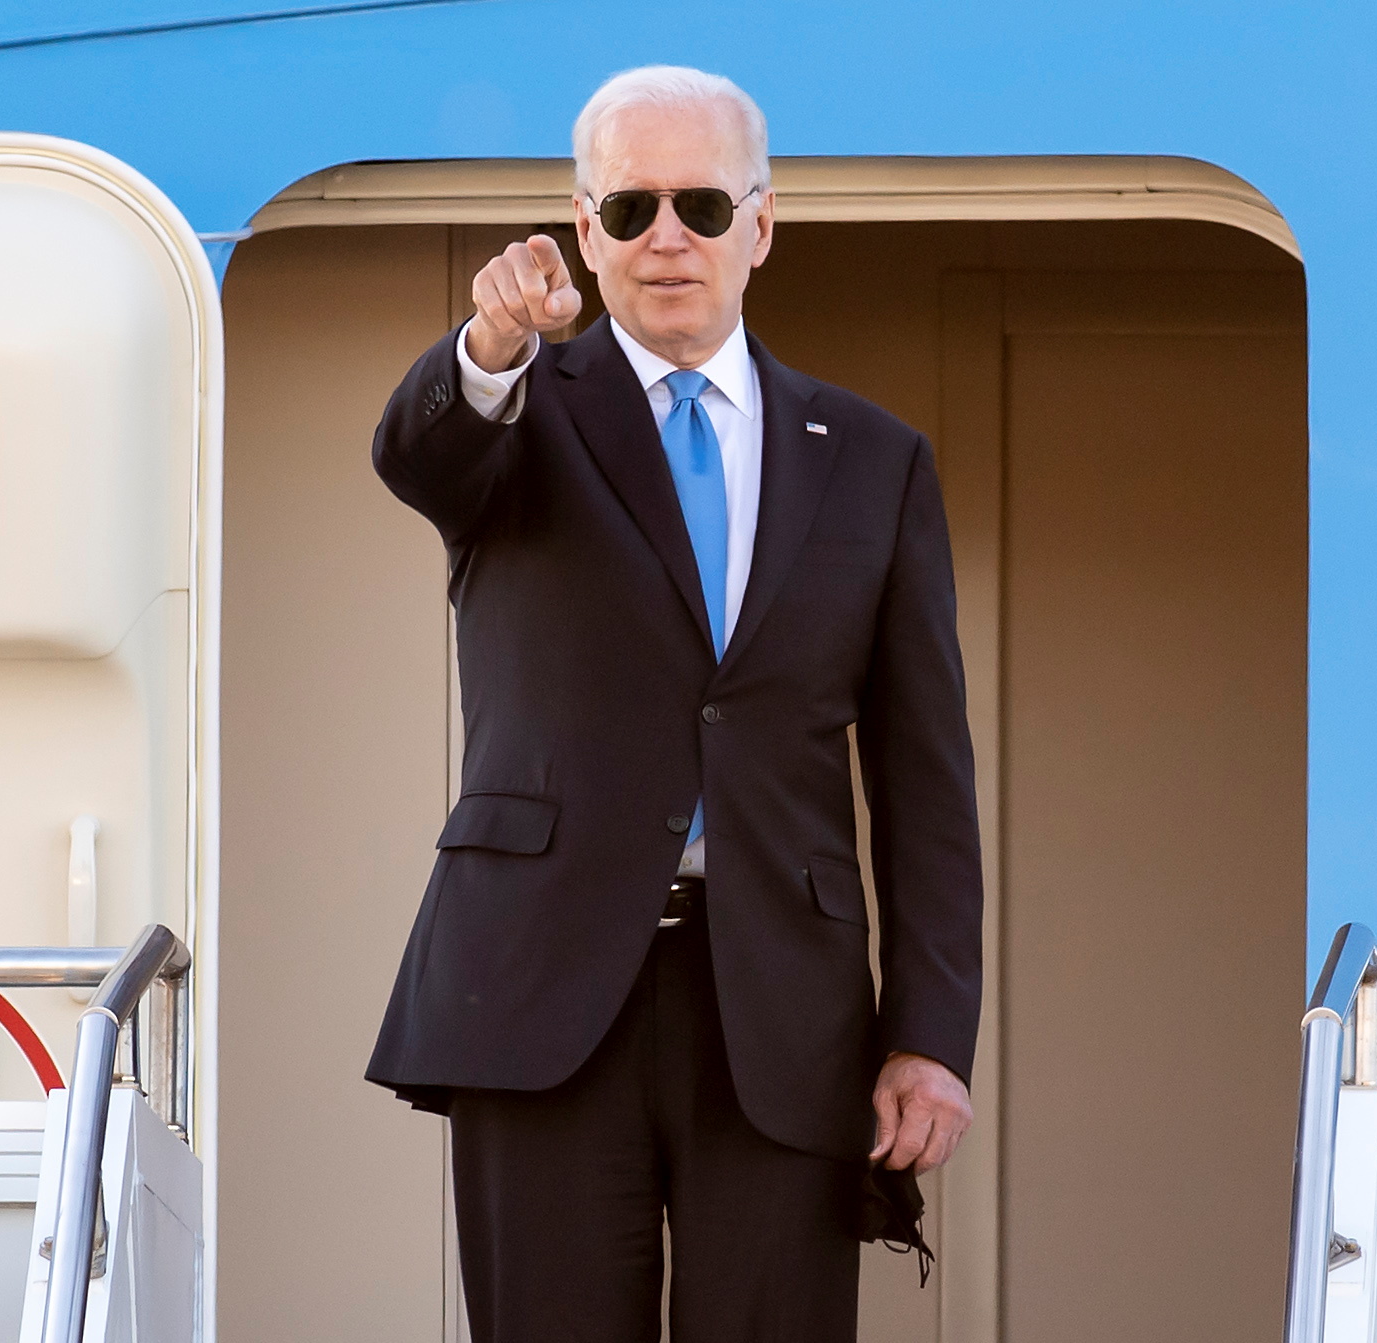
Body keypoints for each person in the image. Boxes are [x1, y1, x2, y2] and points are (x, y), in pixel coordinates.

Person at [364, 66, 984, 1341]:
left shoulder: (873, 458)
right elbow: (418, 454)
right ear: (582, 230)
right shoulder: (517, 406)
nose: (667, 237)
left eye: (701, 204)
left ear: (760, 225)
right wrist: (491, 346)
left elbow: (926, 775)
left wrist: (930, 1031)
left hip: (778, 1005)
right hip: (539, 989)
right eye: (630, 206)